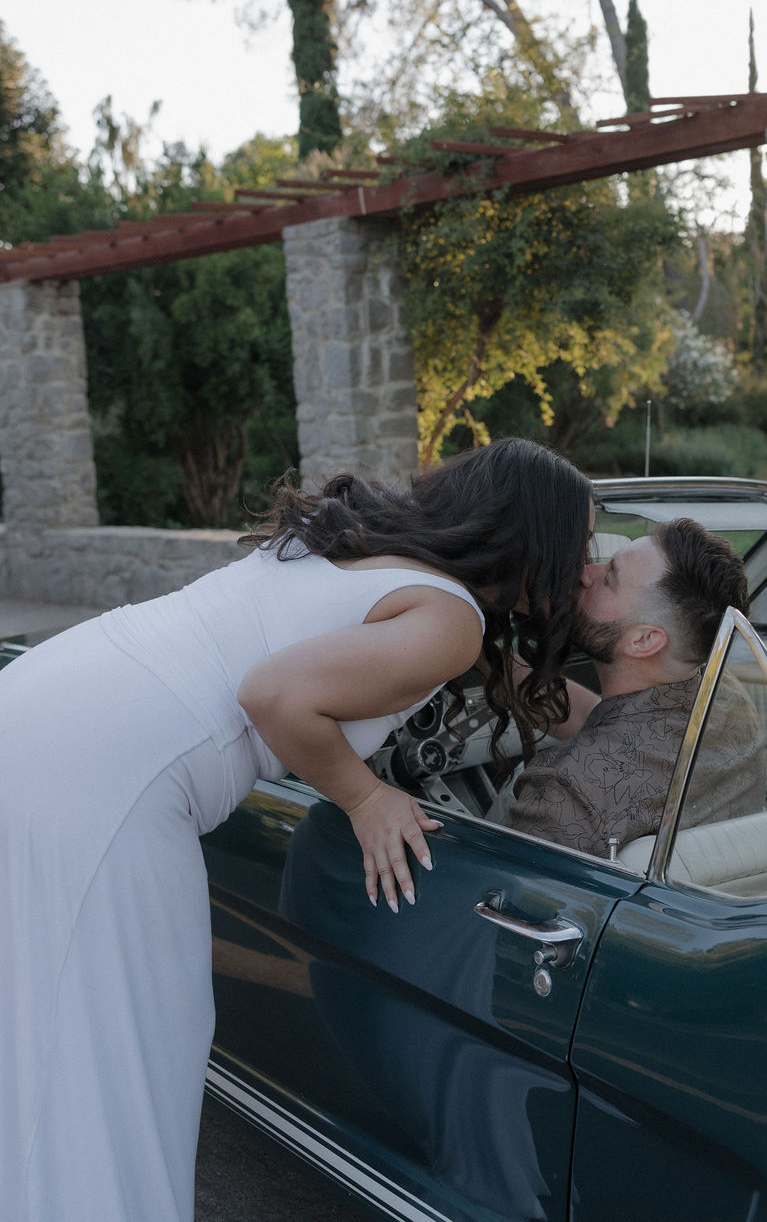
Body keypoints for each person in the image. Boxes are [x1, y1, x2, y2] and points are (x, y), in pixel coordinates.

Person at [0, 437, 593, 1222]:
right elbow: (275, 694)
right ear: (535, 542)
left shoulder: (368, 546)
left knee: (49, 1031)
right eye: (580, 546)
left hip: (45, 705)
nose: (585, 569)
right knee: (135, 1048)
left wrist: (653, 717)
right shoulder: (448, 617)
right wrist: (364, 798)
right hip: (110, 774)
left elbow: (519, 687)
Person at [507, 517, 765, 858]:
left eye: (609, 578)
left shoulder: (567, 791)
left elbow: (502, 898)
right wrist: (482, 656)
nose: (585, 572)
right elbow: (604, 722)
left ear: (644, 640)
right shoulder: (725, 697)